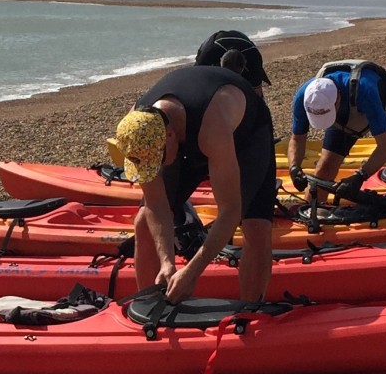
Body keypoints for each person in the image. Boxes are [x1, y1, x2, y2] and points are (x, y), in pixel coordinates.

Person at [107, 64, 277, 303]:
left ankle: (250, 313)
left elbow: (230, 211)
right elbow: (156, 206)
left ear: (169, 135)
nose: (154, 169)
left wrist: (193, 271)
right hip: (185, 133)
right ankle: (150, 308)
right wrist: (167, 261)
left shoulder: (213, 128)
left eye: (157, 161)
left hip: (245, 135)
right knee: (144, 224)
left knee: (256, 227)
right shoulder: (137, 127)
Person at [285, 59, 386, 205]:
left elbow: (385, 147)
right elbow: (297, 139)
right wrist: (294, 168)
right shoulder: (304, 96)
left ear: (338, 99)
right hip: (346, 113)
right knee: (325, 167)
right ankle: (311, 210)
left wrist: (360, 176)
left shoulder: (366, 91)